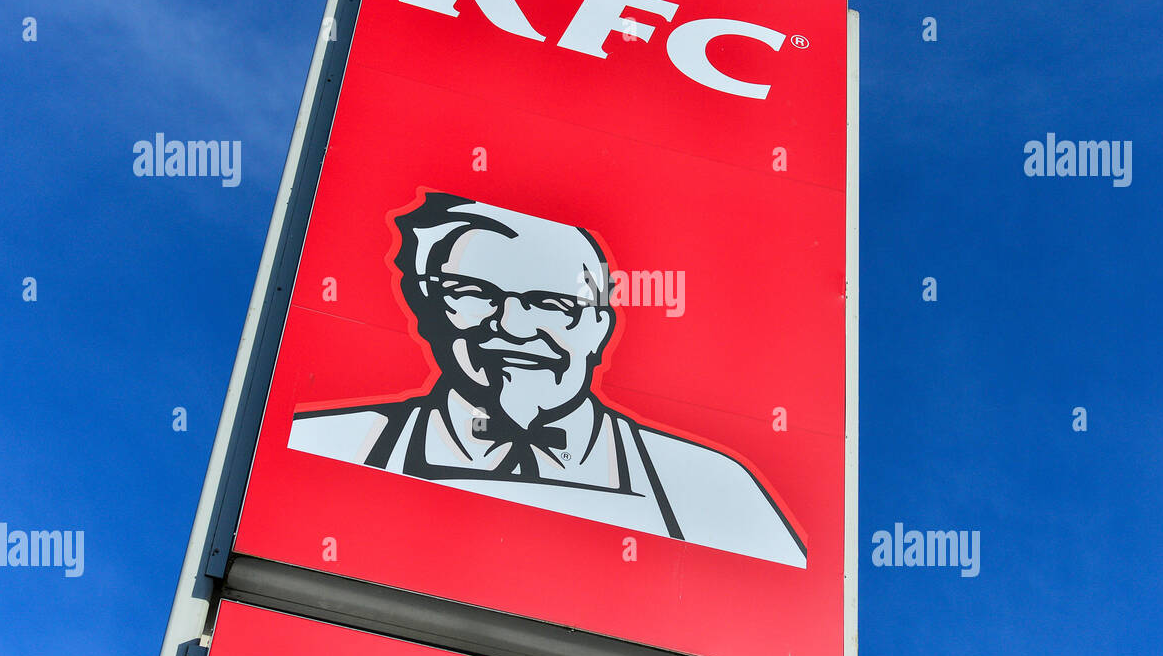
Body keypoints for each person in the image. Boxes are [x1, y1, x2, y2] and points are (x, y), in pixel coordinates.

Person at [288, 192, 806, 567]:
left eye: (551, 304)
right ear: (427, 312)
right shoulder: (326, 447)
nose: (513, 327)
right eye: (473, 294)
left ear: (599, 327)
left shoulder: (713, 491)